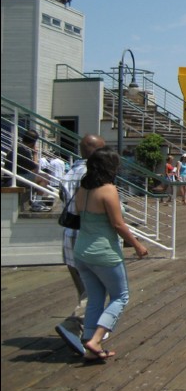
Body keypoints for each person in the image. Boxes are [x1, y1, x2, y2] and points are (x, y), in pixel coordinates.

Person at [73, 146, 148, 361]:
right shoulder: (108, 190)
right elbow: (118, 224)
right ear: (109, 167)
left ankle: (89, 347)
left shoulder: (83, 189)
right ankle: (96, 339)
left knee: (95, 298)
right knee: (120, 296)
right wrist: (136, 244)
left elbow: (80, 215)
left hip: (82, 251)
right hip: (104, 253)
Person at [55, 134, 106, 351]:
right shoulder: (93, 174)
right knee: (96, 290)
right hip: (89, 236)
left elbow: (62, 198)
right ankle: (73, 324)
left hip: (69, 237)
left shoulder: (68, 172)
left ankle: (87, 335)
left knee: (84, 290)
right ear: (96, 151)